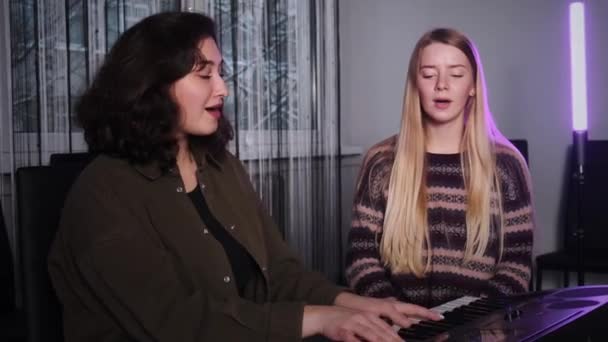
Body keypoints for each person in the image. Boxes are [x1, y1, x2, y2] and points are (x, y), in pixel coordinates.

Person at [47, 12, 442, 342]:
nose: (223, 89)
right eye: (204, 75)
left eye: (221, 72)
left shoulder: (221, 166)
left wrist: (359, 304)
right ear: (152, 87)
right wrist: (321, 320)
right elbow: (178, 324)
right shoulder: (102, 193)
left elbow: (280, 274)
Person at [345, 28, 534, 308]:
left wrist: (468, 318)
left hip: (478, 329)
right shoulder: (381, 162)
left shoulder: (506, 164)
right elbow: (361, 259)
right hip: (398, 330)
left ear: (472, 85)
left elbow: (517, 265)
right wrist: (397, 314)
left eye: (456, 74)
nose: (441, 85)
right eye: (429, 74)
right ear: (415, 85)